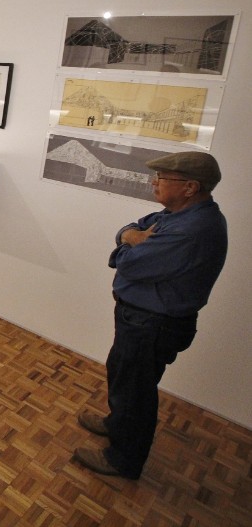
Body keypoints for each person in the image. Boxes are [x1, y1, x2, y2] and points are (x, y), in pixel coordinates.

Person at [74, 151, 228, 479]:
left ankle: (123, 460)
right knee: (124, 377)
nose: (154, 182)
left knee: (136, 392)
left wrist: (126, 245)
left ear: (189, 187)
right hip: (141, 319)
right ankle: (117, 424)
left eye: (162, 178)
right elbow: (131, 229)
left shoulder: (193, 228)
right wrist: (130, 237)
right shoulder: (178, 214)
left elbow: (127, 261)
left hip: (152, 324)